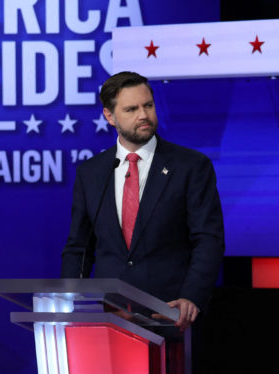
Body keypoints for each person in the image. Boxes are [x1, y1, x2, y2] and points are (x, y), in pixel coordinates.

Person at [61, 71, 225, 329]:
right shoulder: (91, 173)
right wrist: (68, 301)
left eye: (148, 105)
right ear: (109, 116)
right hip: (110, 320)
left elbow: (208, 240)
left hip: (171, 316)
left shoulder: (191, 166)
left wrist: (191, 297)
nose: (143, 115)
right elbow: (79, 248)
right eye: (131, 109)